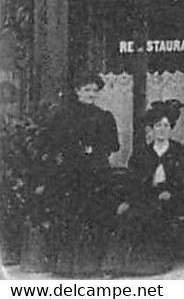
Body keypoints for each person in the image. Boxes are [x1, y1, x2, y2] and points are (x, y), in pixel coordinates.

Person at [39, 72, 120, 276]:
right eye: (86, 90)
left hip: (97, 175)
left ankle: (92, 266)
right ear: (77, 91)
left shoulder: (103, 116)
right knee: (71, 218)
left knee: (96, 218)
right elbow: (52, 144)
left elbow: (113, 145)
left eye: (94, 90)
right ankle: (68, 267)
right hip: (71, 175)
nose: (91, 94)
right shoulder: (63, 116)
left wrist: (96, 150)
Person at [116, 101, 184, 275]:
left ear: (171, 128)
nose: (162, 130)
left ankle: (157, 263)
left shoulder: (180, 152)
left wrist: (171, 192)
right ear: (151, 129)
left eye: (166, 126)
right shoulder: (141, 153)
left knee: (158, 214)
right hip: (146, 198)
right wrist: (129, 200)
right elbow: (133, 181)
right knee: (137, 213)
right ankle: (136, 263)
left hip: (173, 199)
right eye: (158, 126)